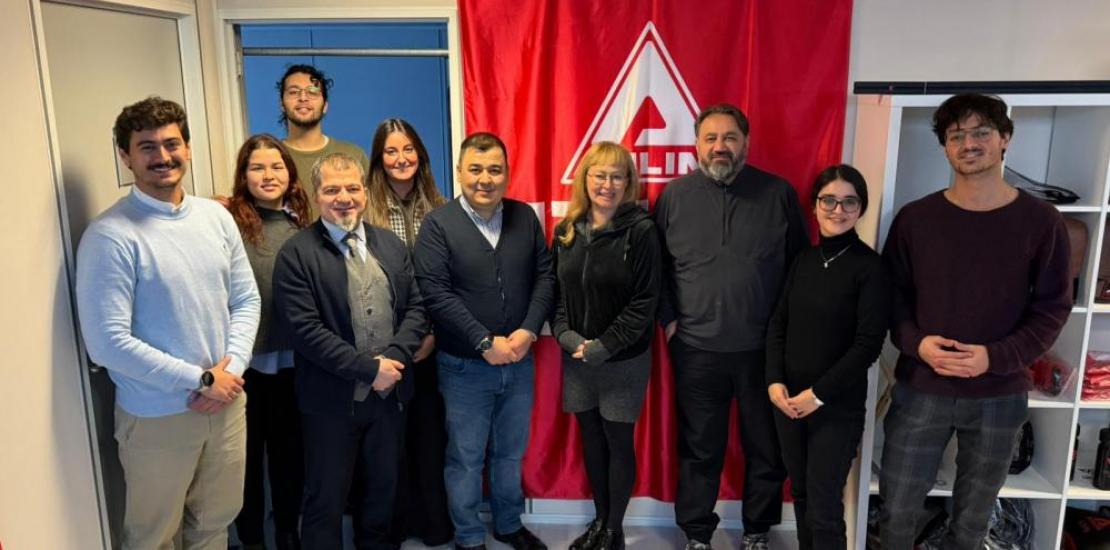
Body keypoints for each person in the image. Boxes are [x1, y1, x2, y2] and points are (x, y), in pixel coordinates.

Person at [878, 93, 1072, 549]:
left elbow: (1052, 308)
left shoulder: (1042, 222)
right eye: (956, 135)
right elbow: (891, 297)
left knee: (973, 520)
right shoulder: (916, 219)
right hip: (922, 386)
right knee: (897, 510)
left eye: (981, 132)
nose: (969, 144)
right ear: (945, 147)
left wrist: (995, 357)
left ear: (1005, 138)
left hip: (999, 393)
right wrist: (917, 344)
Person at [75, 97, 260, 550]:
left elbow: (245, 299)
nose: (162, 156)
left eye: (172, 143)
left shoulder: (216, 217)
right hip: (158, 416)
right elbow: (108, 342)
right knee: (154, 537)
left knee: (214, 526)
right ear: (126, 156)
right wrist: (201, 380)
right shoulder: (111, 235)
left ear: (187, 148)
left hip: (226, 405)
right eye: (147, 147)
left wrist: (230, 372)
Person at [655, 103, 808, 550]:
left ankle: (757, 531)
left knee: (765, 447)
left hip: (763, 351)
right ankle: (697, 533)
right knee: (700, 448)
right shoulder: (674, 197)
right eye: (711, 138)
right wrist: (669, 322)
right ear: (696, 145)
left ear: (746, 143)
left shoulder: (778, 193)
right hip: (696, 349)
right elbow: (657, 269)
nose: (720, 146)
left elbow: (800, 269)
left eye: (729, 137)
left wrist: (786, 336)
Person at [272, 152, 427, 549]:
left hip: (390, 397)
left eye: (352, 188)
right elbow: (305, 330)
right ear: (316, 195)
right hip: (330, 402)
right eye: (332, 190)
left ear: (365, 192)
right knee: (325, 498)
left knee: (382, 493)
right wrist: (368, 370)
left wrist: (395, 359)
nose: (344, 198)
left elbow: (417, 308)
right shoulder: (296, 254)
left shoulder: (390, 244)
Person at [414, 132, 554, 550]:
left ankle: (509, 525)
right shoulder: (438, 224)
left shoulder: (524, 217)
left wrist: (528, 330)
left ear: (507, 173)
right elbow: (435, 293)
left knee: (510, 453)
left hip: (519, 360)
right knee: (465, 458)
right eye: (475, 169)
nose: (485, 179)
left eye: (494, 169)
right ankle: (469, 536)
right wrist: (483, 341)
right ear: (459, 172)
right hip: (463, 367)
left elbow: (545, 277)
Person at [765, 165, 890, 550]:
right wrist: (774, 381)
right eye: (829, 200)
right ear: (815, 205)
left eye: (849, 202)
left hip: (836, 407)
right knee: (802, 493)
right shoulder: (804, 260)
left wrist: (817, 395)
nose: (838, 209)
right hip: (788, 403)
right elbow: (778, 324)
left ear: (860, 208)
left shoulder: (871, 268)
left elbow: (868, 345)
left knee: (823, 507)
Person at [551, 142, 661, 550]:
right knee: (592, 441)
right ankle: (599, 521)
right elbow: (555, 296)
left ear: (628, 182)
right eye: (600, 175)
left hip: (623, 360)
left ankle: (614, 531)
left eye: (617, 176)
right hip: (577, 358)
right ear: (585, 179)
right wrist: (568, 338)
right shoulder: (566, 231)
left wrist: (606, 345)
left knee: (617, 441)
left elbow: (645, 302)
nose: (608, 184)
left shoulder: (642, 231)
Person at [364, 118, 452, 546]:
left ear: (420, 154)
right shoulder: (364, 209)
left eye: (408, 149)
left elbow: (449, 279)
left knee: (429, 437)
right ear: (379, 159)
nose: (401, 159)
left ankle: (432, 523)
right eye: (391, 151)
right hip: (384, 345)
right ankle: (392, 527)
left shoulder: (440, 206)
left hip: (433, 342)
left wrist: (431, 333)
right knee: (388, 444)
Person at [224, 134, 312, 550]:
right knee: (245, 461)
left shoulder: (303, 226)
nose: (268, 175)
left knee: (289, 454)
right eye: (257, 167)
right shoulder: (227, 224)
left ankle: (287, 532)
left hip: (294, 362)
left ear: (290, 174)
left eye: (277, 166)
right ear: (244, 175)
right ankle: (252, 538)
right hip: (245, 364)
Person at [277, 64, 369, 218]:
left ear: (325, 105)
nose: (303, 98)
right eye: (293, 92)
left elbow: (370, 214)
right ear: (282, 104)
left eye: (312, 92)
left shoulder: (353, 155)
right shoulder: (271, 159)